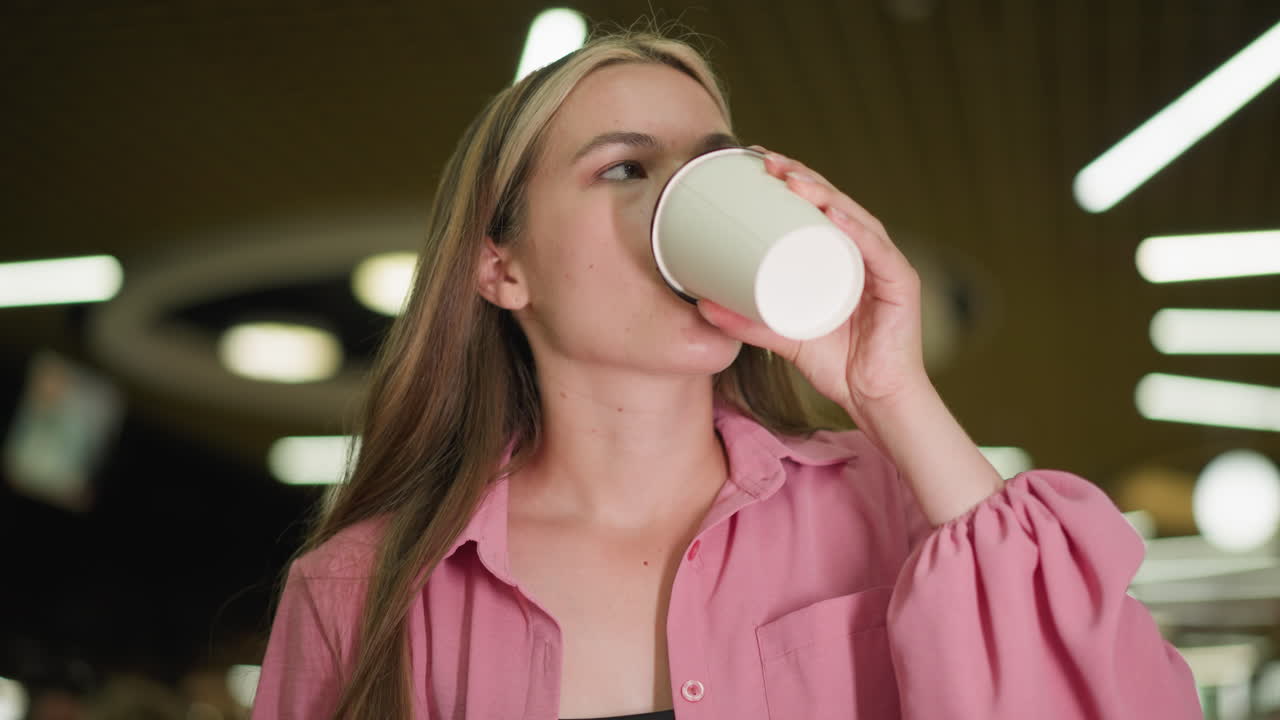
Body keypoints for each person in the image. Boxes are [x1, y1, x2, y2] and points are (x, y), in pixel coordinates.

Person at [251, 25, 1203, 720]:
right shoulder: (360, 593)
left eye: (712, 168)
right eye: (625, 169)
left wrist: (894, 396)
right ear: (502, 268)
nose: (683, 200)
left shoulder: (898, 509)